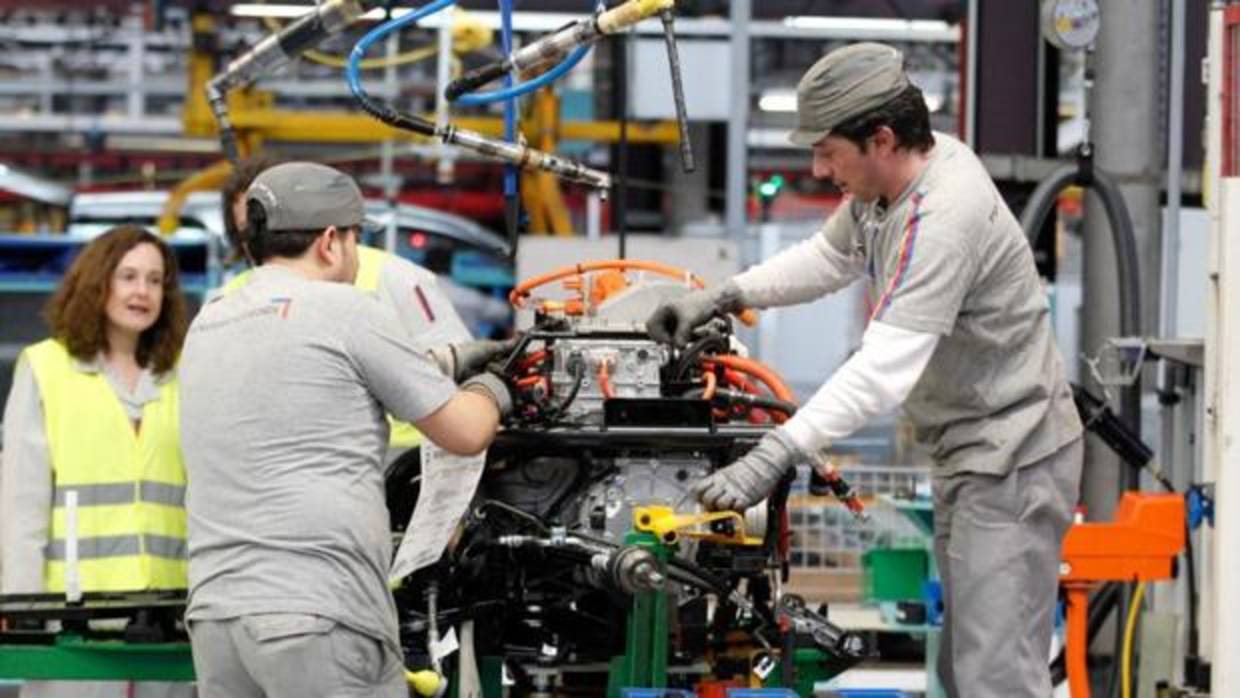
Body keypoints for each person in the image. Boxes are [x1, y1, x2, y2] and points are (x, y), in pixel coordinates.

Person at [646, 43, 1083, 698]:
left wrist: (779, 450)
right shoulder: (890, 189)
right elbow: (827, 260)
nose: (819, 169)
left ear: (880, 138)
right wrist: (727, 294)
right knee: (962, 669)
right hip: (972, 455)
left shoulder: (944, 216)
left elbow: (883, 369)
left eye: (827, 151)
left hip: (1014, 458)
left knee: (997, 675)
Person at [179, 162, 514, 698]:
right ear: (331, 241)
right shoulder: (346, 309)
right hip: (317, 611)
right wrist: (497, 384)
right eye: (357, 239)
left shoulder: (211, 320)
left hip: (218, 617)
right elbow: (466, 432)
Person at [1, 225, 192, 698]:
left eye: (154, 280)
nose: (142, 292)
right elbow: (21, 500)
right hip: (73, 611)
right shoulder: (46, 367)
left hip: (165, 612)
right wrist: (18, 604)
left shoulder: (182, 376)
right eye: (128, 276)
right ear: (98, 282)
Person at [219, 155, 480, 453]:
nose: (261, 238)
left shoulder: (396, 278)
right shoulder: (228, 300)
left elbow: (460, 372)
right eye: (250, 229)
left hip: (407, 463)